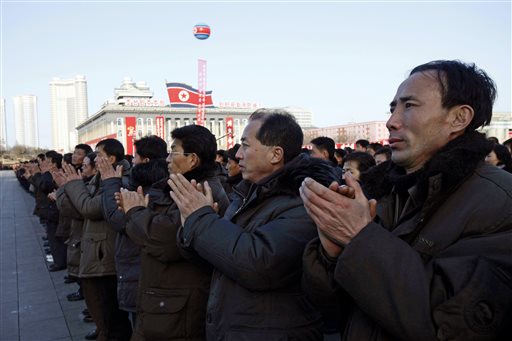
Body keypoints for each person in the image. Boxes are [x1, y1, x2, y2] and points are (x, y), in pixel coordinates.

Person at [300, 60, 512, 339]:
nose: (391, 121)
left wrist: (359, 238)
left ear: (459, 118)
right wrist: (331, 254)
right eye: (392, 108)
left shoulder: (498, 201)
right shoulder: (381, 191)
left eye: (409, 106)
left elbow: (452, 325)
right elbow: (330, 313)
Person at [168, 109, 340, 340]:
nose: (238, 154)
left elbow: (259, 263)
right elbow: (219, 259)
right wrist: (190, 224)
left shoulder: (306, 198)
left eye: (245, 145)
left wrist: (201, 220)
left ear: (275, 154)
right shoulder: (248, 192)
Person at [119, 126, 229, 340]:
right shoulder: (178, 186)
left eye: (174, 151)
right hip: (165, 297)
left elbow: (165, 241)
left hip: (177, 303)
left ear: (192, 160)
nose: (167, 159)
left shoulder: (200, 192)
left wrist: (135, 211)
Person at [99, 135, 169, 327]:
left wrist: (111, 182)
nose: (132, 160)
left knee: (142, 326)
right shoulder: (142, 184)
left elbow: (118, 219)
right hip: (137, 270)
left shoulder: (147, 190)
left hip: (142, 272)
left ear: (146, 160)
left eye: (136, 156)